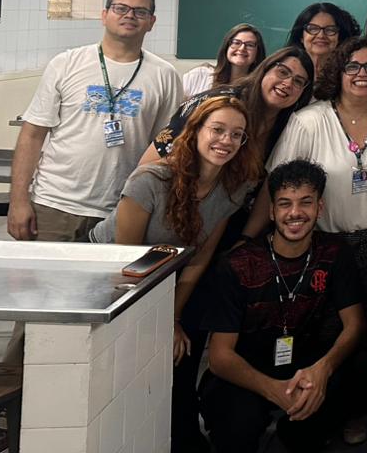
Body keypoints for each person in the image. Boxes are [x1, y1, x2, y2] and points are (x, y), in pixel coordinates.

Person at [91, 94, 260, 452]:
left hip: (167, 273)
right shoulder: (151, 179)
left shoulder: (233, 186)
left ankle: (176, 437)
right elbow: (129, 262)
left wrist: (173, 316)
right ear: (196, 130)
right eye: (217, 130)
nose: (226, 141)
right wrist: (160, 322)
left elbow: (198, 258)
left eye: (236, 134)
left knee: (176, 355)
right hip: (113, 271)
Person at [263, 38, 367, 444]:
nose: (362, 74)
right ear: (338, 72)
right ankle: (315, 410)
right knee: (325, 332)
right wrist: (254, 237)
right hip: (323, 245)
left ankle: (357, 410)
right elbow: (277, 183)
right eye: (352, 67)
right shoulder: (309, 119)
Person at [201, 160, 366, 452]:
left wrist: (322, 369)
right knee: (238, 425)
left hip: (304, 365)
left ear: (320, 208)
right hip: (244, 370)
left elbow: (354, 325)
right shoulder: (237, 264)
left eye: (305, 202)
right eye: (285, 204)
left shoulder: (334, 252)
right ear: (272, 211)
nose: (295, 213)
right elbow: (219, 357)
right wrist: (274, 391)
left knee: (330, 398)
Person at [9, 0, 183, 242]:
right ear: (104, 15)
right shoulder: (67, 63)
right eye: (120, 8)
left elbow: (162, 147)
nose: (129, 15)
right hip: (55, 204)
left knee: (111, 283)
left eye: (140, 11)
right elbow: (32, 135)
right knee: (44, 282)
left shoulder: (164, 75)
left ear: (152, 22)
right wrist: (18, 200)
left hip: (123, 206)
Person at [149, 45, 314, 167]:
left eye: (298, 81)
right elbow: (148, 164)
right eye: (283, 72)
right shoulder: (215, 103)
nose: (288, 83)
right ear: (265, 70)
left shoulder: (290, 127)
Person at [183, 23, 266, 98]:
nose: (242, 48)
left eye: (250, 45)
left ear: (258, 53)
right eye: (236, 43)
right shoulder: (199, 76)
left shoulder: (258, 90)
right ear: (226, 47)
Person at [288, 2, 359, 79]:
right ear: (301, 36)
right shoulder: (285, 70)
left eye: (330, 30)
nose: (321, 35)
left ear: (340, 37)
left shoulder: (348, 76)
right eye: (313, 28)